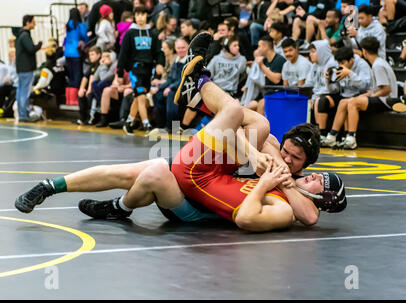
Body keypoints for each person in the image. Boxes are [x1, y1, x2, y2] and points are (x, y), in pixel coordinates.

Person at [15, 35, 346, 231]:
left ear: (305, 167)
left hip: (198, 198)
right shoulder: (275, 154)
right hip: (210, 172)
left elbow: (310, 215)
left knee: (223, 118)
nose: (286, 159)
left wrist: (271, 177)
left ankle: (198, 88)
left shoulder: (289, 194)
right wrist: (258, 154)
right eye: (287, 151)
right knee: (257, 124)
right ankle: (52, 187)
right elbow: (258, 140)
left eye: (295, 159)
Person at [323, 36, 398, 149]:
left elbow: (387, 89)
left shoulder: (378, 65)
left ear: (364, 51)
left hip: (387, 101)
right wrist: (368, 94)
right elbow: (378, 89)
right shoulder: (377, 63)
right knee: (344, 101)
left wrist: (372, 95)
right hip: (381, 97)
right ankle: (332, 137)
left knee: (353, 102)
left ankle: (351, 138)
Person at [117, 5, 165, 133]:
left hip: (148, 70)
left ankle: (128, 123)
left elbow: (159, 52)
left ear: (146, 16)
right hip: (135, 69)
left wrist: (160, 63)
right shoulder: (129, 34)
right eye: (137, 15)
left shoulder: (153, 33)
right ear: (134, 17)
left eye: (142, 14)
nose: (140, 17)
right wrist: (120, 73)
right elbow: (123, 54)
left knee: (139, 97)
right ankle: (147, 126)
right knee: (141, 96)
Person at [318, 46, 372, 145]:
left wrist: (350, 74)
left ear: (351, 60)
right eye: (338, 63)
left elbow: (365, 86)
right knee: (322, 101)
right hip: (343, 94)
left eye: (342, 63)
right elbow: (334, 90)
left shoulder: (362, 65)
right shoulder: (337, 65)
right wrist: (328, 81)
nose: (340, 65)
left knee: (347, 102)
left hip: (360, 95)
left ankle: (345, 136)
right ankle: (326, 135)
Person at [246, 35, 286, 115]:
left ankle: (260, 127)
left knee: (261, 104)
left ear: (266, 47)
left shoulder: (279, 60)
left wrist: (261, 66)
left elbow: (276, 80)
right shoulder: (264, 60)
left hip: (277, 93)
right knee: (248, 106)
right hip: (265, 93)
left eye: (259, 46)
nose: (258, 49)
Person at [15, 15, 42, 122]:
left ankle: (22, 115)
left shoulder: (20, 35)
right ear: (28, 22)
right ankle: (24, 115)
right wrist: (39, 45)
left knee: (20, 91)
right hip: (26, 68)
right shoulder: (25, 35)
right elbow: (30, 49)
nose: (34, 24)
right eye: (33, 22)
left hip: (21, 68)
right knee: (24, 92)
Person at [64, 8, 89, 106]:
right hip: (76, 53)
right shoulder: (79, 25)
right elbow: (85, 37)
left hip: (67, 52)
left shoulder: (68, 25)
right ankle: (75, 99)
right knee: (77, 75)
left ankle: (69, 99)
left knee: (70, 76)